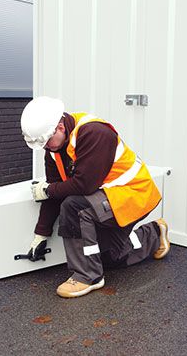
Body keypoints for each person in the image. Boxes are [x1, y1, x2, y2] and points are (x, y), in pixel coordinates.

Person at [20, 96, 171, 298]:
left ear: (60, 127)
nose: (46, 147)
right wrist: (41, 234)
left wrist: (48, 190)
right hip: (110, 199)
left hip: (134, 193)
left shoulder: (94, 133)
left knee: (74, 206)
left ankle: (87, 277)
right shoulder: (54, 150)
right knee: (108, 257)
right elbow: (55, 191)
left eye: (47, 141)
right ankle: (154, 234)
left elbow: (84, 185)